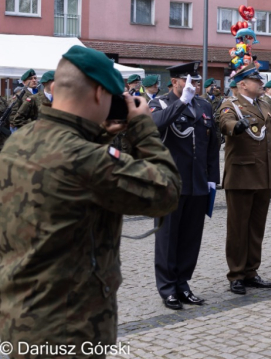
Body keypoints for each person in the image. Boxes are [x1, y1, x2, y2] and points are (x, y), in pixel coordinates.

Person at [0, 45, 181, 356]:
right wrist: (141, 128)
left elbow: (74, 166)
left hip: (19, 317)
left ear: (54, 89)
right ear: (100, 94)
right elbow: (165, 191)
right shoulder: (84, 158)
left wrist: (100, 136)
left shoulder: (20, 141)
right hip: (69, 330)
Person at [149, 62, 220, 310]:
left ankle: (183, 284)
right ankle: (167, 288)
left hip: (198, 183)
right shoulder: (160, 103)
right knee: (167, 238)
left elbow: (213, 145)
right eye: (189, 81)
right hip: (169, 183)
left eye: (198, 82)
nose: (195, 86)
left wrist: (213, 177)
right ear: (175, 82)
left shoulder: (204, 106)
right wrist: (181, 103)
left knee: (191, 238)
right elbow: (154, 125)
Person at [219, 63, 271, 295]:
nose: (261, 84)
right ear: (243, 84)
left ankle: (251, 271)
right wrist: (237, 126)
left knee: (256, 227)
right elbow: (225, 123)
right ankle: (236, 274)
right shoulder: (230, 105)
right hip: (242, 175)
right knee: (238, 228)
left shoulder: (264, 104)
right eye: (256, 81)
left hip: (263, 174)